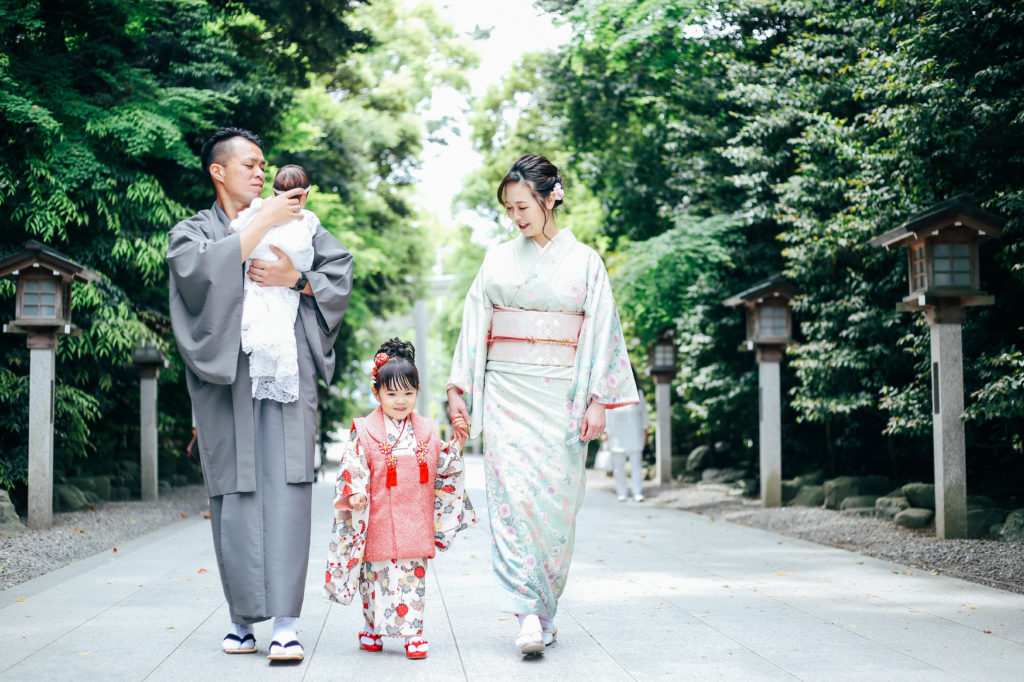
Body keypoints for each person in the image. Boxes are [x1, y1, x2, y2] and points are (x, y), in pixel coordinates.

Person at [167, 127, 354, 662]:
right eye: (248, 164)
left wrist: (297, 279)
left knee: (290, 486)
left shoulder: (303, 225)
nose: (259, 171)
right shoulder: (193, 230)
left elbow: (337, 275)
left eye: (263, 163)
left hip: (287, 371)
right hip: (226, 379)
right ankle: (242, 619)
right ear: (217, 171)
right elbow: (197, 277)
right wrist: (264, 221)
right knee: (234, 491)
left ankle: (288, 624)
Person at [446, 154, 638, 656]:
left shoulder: (586, 262)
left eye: (523, 205)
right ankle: (526, 613)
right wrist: (458, 390)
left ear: (551, 196)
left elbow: (601, 333)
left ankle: (545, 605)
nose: (517, 217)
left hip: (563, 397)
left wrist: (598, 400)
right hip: (508, 392)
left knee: (554, 508)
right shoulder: (498, 260)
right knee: (511, 500)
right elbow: (474, 324)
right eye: (509, 209)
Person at [324, 338, 475, 660]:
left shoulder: (428, 430)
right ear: (376, 393)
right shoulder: (364, 429)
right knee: (373, 577)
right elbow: (353, 465)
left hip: (413, 517)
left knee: (410, 577)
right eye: (391, 393)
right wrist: (356, 493)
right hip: (375, 516)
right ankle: (372, 627)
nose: (400, 400)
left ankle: (412, 631)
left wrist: (456, 446)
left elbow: (443, 467)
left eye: (408, 392)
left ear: (417, 392)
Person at [229, 164, 319, 402]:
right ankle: (274, 367)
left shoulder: (261, 209)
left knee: (270, 323)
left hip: (276, 284)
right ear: (305, 196)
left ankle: (269, 365)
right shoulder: (306, 219)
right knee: (279, 329)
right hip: (260, 282)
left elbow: (234, 231)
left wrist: (292, 276)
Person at [604, 371, 649, 502]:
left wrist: (645, 431)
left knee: (636, 465)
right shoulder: (613, 394)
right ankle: (621, 492)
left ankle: (637, 492)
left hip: (635, 434)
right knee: (619, 467)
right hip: (617, 435)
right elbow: (608, 414)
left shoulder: (638, 393)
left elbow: (644, 414)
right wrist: (606, 432)